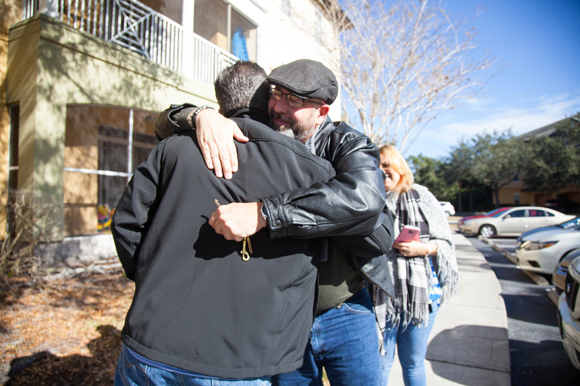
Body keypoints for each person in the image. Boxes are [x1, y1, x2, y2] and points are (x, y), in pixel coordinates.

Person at [154, 59, 395, 386]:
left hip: (343, 312)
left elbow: (365, 202)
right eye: (277, 93)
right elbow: (165, 128)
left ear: (321, 112)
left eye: (294, 100)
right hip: (279, 316)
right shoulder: (265, 130)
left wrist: (264, 213)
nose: (278, 106)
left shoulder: (346, 144)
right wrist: (200, 115)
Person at [111, 61, 336, 385]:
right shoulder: (312, 172)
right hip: (242, 360)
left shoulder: (172, 148)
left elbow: (126, 224)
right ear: (267, 101)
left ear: (220, 102)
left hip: (150, 345)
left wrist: (151, 279)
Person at [371, 144, 459, 386]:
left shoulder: (422, 196)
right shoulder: (369, 198)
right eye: (375, 166)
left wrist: (424, 248)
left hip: (420, 298)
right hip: (380, 298)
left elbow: (445, 242)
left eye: (386, 164)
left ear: (399, 167)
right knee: (381, 362)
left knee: (413, 363)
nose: (381, 170)